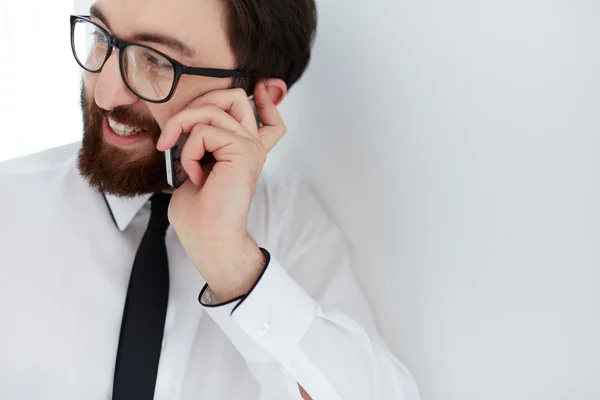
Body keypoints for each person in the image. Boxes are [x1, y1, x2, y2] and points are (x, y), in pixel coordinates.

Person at [0, 0, 420, 399]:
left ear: (260, 100)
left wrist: (233, 264)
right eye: (102, 38)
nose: (106, 93)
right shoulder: (9, 206)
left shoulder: (292, 227)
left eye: (157, 61)